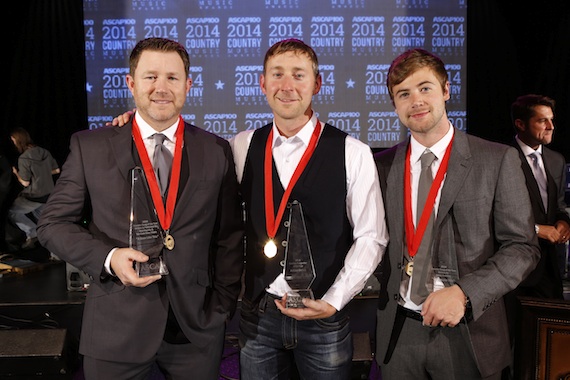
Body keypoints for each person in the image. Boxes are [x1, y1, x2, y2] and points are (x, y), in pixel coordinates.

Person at [109, 37, 388, 379]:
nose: (287, 86)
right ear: (262, 83)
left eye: (299, 75)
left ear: (317, 83)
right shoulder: (240, 146)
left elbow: (371, 237)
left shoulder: (352, 151)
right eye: (277, 74)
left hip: (324, 319)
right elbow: (186, 153)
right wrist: (136, 121)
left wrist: (334, 300)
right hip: (259, 317)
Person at [37, 37, 244, 380]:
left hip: (195, 329)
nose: (161, 88)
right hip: (115, 327)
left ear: (188, 85)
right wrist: (109, 257)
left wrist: (221, 308)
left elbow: (229, 237)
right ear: (131, 83)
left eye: (173, 78)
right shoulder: (90, 146)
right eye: (150, 77)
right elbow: (52, 224)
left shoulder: (216, 149)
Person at [373, 48, 540, 380]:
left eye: (425, 88)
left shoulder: (497, 160)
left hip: (469, 333)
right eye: (403, 94)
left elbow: (523, 248)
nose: (416, 100)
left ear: (446, 90)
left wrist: (465, 293)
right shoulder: (382, 167)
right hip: (399, 334)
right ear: (395, 105)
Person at [509, 94, 570, 299]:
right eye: (542, 120)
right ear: (521, 124)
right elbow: (493, 214)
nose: (551, 126)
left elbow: (558, 205)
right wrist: (536, 230)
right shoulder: (502, 158)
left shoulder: (556, 160)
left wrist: (563, 222)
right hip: (516, 271)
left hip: (550, 270)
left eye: (552, 119)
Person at [8, 127, 60, 250]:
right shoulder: (44, 152)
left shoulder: (24, 158)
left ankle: (32, 232)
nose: (13, 144)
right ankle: (56, 253)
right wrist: (41, 173)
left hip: (34, 196)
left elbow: (25, 183)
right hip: (48, 194)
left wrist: (16, 173)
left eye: (14, 141)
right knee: (45, 223)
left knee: (12, 212)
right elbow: (57, 170)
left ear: (19, 141)